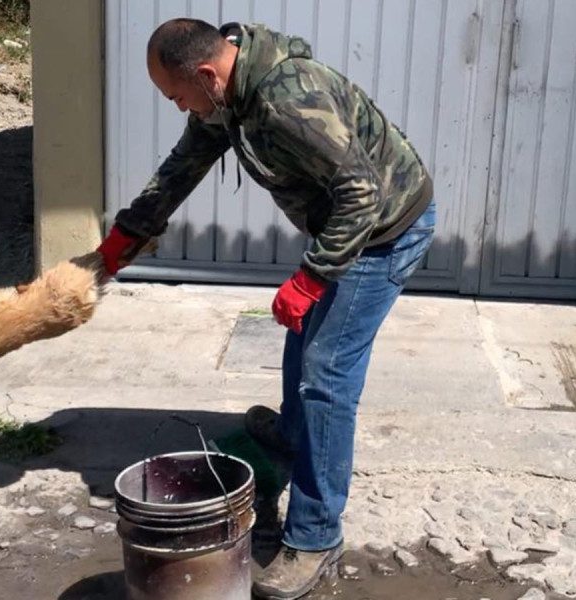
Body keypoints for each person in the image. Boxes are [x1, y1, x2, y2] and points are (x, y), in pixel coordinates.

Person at [97, 18, 435, 600]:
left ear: (205, 74)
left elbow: (362, 194)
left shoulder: (287, 98)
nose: (179, 106)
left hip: (386, 231)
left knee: (326, 375)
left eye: (176, 94)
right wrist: (125, 238)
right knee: (302, 348)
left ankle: (315, 537)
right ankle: (290, 438)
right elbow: (181, 169)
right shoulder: (223, 100)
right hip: (345, 225)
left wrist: (311, 277)